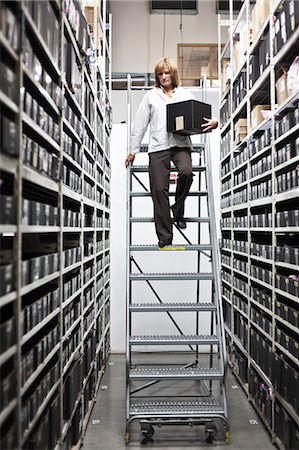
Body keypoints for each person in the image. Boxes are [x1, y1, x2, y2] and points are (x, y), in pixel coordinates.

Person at [125, 57, 218, 248]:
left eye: (167, 73)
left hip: (180, 144)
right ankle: (165, 239)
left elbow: (201, 115)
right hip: (158, 147)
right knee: (159, 190)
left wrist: (214, 122)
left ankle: (177, 209)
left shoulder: (184, 94)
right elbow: (140, 124)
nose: (164, 77)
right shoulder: (150, 96)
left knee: (186, 172)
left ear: (173, 74)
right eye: (160, 74)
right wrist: (133, 151)